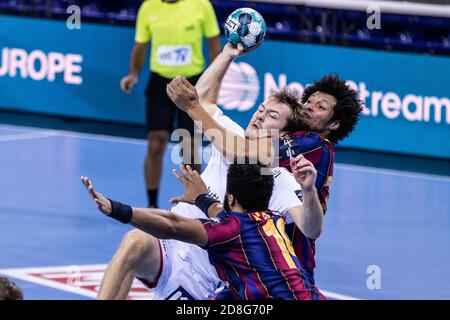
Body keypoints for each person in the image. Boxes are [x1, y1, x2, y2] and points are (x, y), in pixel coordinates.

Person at [95, 44, 361, 300]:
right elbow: (202, 98)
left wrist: (192, 108)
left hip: (245, 265)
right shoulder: (233, 136)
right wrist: (226, 55)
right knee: (134, 242)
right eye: (260, 109)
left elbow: (309, 225)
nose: (309, 107)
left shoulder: (304, 154)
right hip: (179, 248)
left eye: (320, 107)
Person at [81, 162, 325, 300]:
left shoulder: (230, 230)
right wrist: (201, 199)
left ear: (231, 196)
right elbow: (218, 210)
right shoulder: (273, 220)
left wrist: (115, 209)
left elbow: (172, 225)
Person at [120, 0, 221, 208]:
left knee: (190, 148)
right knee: (155, 143)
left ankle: (195, 204)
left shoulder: (201, 5)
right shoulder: (148, 7)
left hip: (192, 84)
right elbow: (140, 46)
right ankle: (152, 205)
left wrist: (214, 83)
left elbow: (214, 46)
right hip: (160, 84)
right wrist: (134, 74)